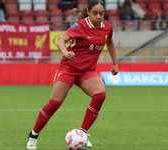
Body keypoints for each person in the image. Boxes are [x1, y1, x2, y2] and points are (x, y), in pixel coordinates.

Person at [26, 0, 119, 149]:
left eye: (101, 13)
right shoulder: (80, 26)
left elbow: (110, 42)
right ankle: (33, 135)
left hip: (87, 71)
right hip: (68, 68)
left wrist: (115, 63)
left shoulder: (107, 27)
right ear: (88, 12)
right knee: (55, 103)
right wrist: (66, 52)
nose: (98, 17)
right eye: (95, 13)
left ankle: (82, 133)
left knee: (100, 95)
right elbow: (60, 41)